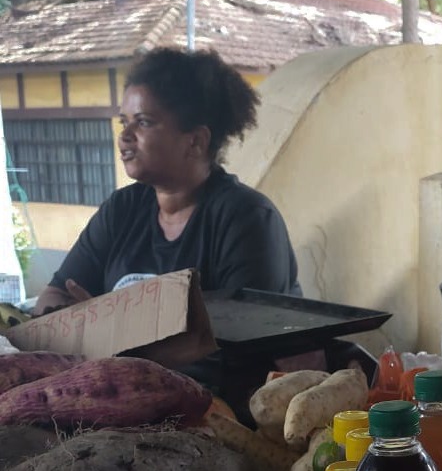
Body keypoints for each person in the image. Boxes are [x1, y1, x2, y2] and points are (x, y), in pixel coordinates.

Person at [35, 47, 299, 315]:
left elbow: (245, 339)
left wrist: (109, 327)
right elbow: (54, 295)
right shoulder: (121, 210)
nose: (125, 135)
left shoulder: (247, 219)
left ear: (195, 141)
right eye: (123, 121)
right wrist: (82, 323)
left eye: (144, 122)